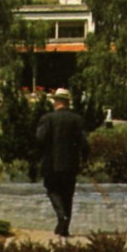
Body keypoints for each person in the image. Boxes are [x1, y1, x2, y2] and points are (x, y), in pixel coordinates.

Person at [35, 87, 90, 237]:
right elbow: (85, 143)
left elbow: (40, 139)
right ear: (67, 102)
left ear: (57, 102)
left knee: (52, 190)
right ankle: (64, 228)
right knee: (68, 195)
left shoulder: (47, 119)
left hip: (51, 163)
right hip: (71, 164)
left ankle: (61, 215)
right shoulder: (77, 120)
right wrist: (85, 160)